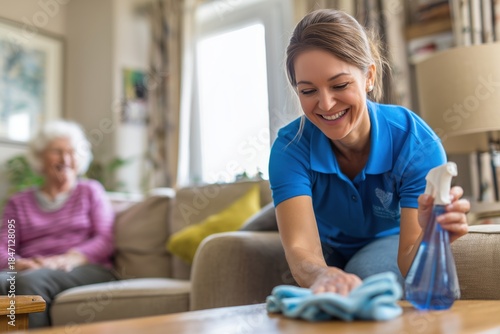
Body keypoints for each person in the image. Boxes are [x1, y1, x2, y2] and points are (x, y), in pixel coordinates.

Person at [269, 9, 470, 295]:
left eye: (340, 85)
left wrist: (432, 236)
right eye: (308, 91)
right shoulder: (290, 147)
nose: (325, 104)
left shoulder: (415, 145)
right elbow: (302, 249)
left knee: (364, 280)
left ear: (369, 77)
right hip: (324, 235)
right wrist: (323, 276)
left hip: (385, 236)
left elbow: (410, 266)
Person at [0, 120, 116, 327]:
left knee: (27, 282)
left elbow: (105, 239)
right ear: (40, 157)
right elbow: (3, 246)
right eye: (57, 151)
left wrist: (69, 258)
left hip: (82, 267)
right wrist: (18, 263)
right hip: (32, 267)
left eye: (72, 152)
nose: (66, 159)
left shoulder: (90, 191)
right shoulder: (19, 202)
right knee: (4, 282)